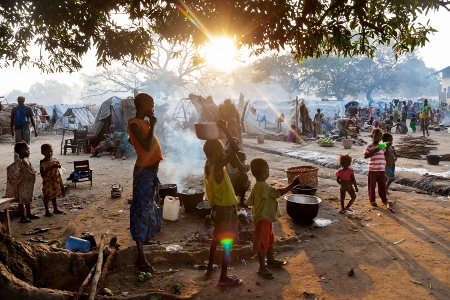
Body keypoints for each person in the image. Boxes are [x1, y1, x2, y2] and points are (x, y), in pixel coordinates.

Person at [203, 119, 243, 286]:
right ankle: (223, 277)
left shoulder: (208, 165)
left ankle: (209, 268)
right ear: (216, 152)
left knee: (215, 239)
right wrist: (225, 130)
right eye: (220, 149)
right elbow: (235, 149)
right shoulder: (218, 166)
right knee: (227, 242)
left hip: (217, 209)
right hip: (226, 209)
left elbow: (229, 150)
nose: (223, 151)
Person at [127, 93, 164, 273]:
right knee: (141, 210)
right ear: (143, 105)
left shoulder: (141, 124)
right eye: (151, 104)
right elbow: (148, 146)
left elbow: (134, 141)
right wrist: (153, 126)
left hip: (150, 170)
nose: (153, 107)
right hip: (144, 172)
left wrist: (150, 126)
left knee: (149, 205)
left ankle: (147, 239)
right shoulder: (134, 124)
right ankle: (140, 257)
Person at [246, 158, 300, 279]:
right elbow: (277, 194)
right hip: (262, 219)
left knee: (269, 240)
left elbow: (250, 200)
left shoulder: (259, 185)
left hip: (266, 218)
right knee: (262, 243)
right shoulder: (261, 187)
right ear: (265, 171)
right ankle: (262, 267)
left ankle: (270, 260)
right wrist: (293, 184)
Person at [6, 142, 38, 223]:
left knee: (27, 199)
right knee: (21, 201)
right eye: (26, 149)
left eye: (29, 149)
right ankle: (22, 217)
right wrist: (18, 177)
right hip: (22, 185)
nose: (29, 151)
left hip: (27, 185)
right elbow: (10, 169)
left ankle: (29, 214)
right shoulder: (19, 161)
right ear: (20, 151)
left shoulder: (26, 160)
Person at [364, 128, 389, 207]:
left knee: (382, 185)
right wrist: (374, 151)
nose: (378, 137)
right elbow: (366, 156)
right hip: (373, 170)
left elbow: (385, 155)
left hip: (381, 169)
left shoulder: (382, 146)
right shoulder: (370, 146)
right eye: (376, 136)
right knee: (372, 186)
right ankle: (372, 200)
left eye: (380, 136)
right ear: (372, 136)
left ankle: (384, 199)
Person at [40, 144, 65, 216]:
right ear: (43, 153)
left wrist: (59, 165)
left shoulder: (54, 160)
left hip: (55, 181)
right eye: (48, 152)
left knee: (54, 195)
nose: (50, 153)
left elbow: (59, 166)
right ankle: (47, 211)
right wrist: (52, 166)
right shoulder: (42, 162)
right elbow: (43, 172)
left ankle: (55, 209)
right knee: (46, 196)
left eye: (51, 152)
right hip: (47, 182)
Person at [225, 138, 251, 208]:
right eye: (230, 145)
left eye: (234, 145)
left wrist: (234, 155)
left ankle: (241, 200)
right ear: (227, 146)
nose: (231, 147)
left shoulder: (242, 155)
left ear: (237, 147)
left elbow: (243, 170)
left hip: (238, 181)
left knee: (244, 176)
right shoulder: (224, 154)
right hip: (227, 181)